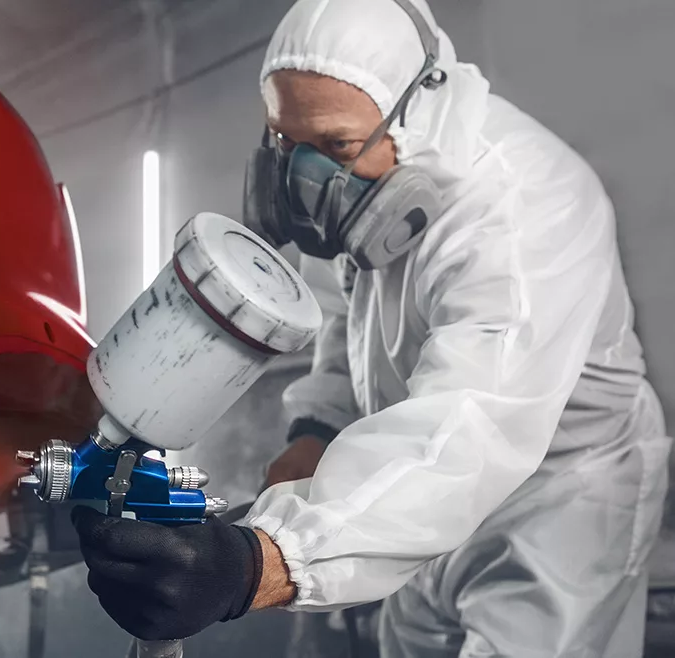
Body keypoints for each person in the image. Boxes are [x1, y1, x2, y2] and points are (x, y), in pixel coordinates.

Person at [70, 0, 672, 655]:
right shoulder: (364, 203)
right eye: (286, 140)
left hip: (556, 499)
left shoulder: (525, 211)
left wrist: (260, 562)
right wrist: (316, 430)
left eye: (335, 146)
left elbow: (474, 422)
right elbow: (347, 324)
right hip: (412, 487)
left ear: (418, 112)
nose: (305, 178)